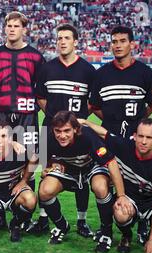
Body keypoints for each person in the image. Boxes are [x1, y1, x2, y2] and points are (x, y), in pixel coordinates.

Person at [89, 25, 152, 243]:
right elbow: (93, 106)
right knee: (100, 185)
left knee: (140, 185)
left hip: (134, 145)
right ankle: (106, 229)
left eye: (122, 41)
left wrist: (139, 125)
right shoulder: (101, 75)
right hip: (109, 142)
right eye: (114, 41)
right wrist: (110, 122)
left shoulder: (144, 73)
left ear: (132, 44)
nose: (117, 45)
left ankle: (141, 226)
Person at [78, 118, 152, 253]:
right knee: (120, 214)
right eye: (140, 136)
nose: (144, 141)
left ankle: (149, 236)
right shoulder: (124, 146)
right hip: (130, 201)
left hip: (150, 204)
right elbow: (105, 134)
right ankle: (126, 235)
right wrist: (85, 122)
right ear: (134, 136)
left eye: (149, 137)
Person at [28, 23, 96, 237]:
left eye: (67, 38)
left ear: (76, 41)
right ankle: (43, 218)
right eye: (59, 38)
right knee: (46, 170)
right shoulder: (47, 68)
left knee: (81, 174)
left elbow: (93, 102)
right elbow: (40, 97)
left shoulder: (87, 70)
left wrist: (76, 123)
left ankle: (82, 221)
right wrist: (56, 120)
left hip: (77, 133)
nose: (62, 42)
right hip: (50, 129)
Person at [38, 111, 132, 252]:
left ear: (76, 129)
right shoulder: (49, 137)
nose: (62, 135)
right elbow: (43, 158)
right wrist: (46, 167)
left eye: (67, 131)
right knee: (44, 191)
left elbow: (111, 162)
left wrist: (121, 195)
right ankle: (62, 225)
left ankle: (106, 232)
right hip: (69, 169)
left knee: (100, 187)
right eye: (58, 131)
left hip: (91, 166)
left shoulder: (87, 135)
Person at [0, 11, 45, 230]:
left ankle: (24, 215)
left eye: (16, 26)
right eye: (8, 26)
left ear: (24, 29)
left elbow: (41, 88)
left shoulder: (36, 56)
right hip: (0, 114)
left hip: (27, 115)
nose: (11, 29)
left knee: (30, 158)